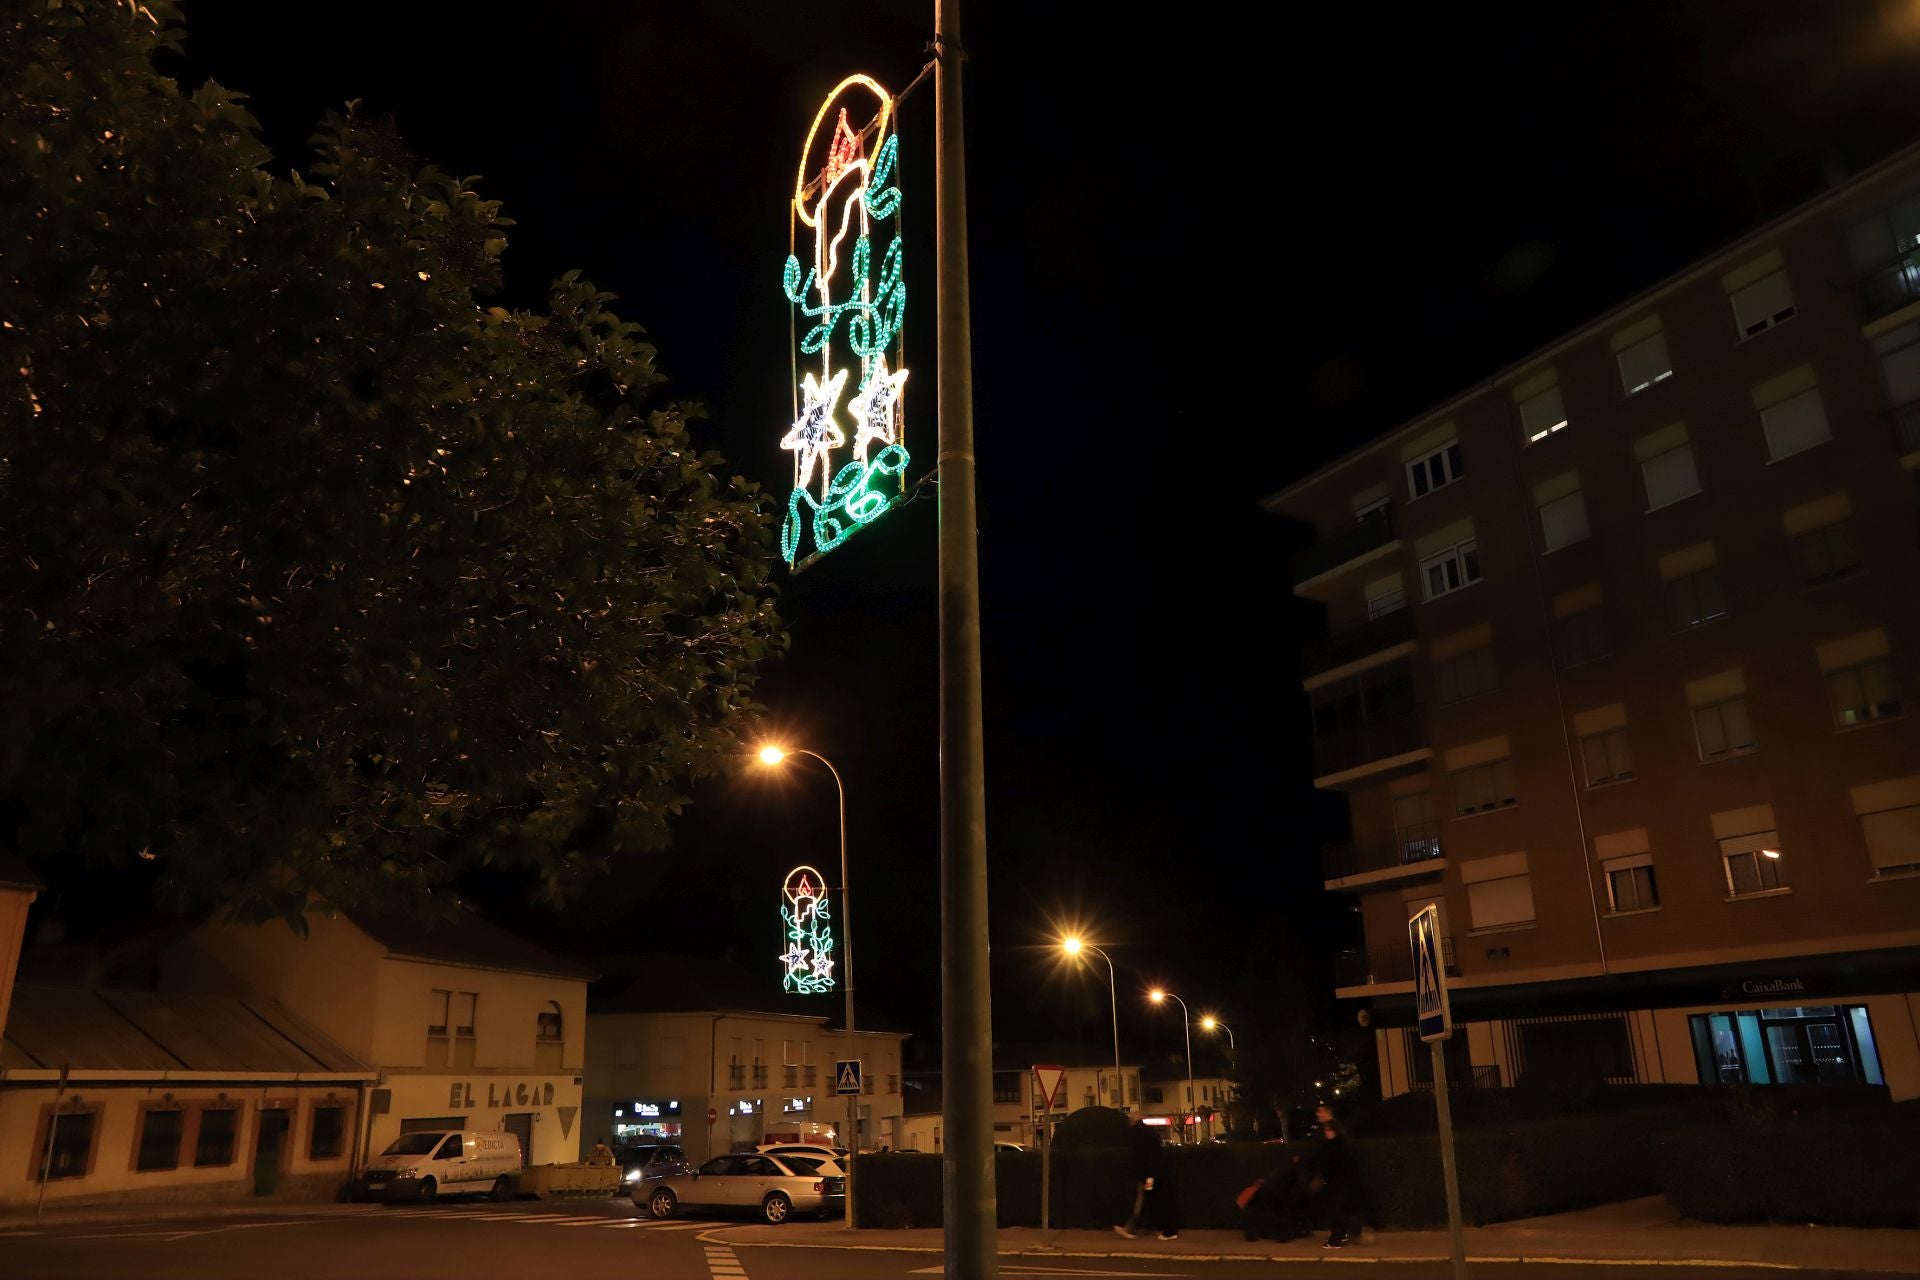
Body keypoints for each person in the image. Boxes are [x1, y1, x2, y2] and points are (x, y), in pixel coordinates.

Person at [1115, 1120, 1177, 1239]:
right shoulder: (1149, 1134)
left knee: (1149, 1200)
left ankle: (1169, 1231)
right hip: (1151, 1174)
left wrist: (1146, 1176)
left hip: (1149, 1175)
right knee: (1149, 1200)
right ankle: (1131, 1228)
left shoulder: (1139, 1136)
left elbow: (1143, 1158)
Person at [1305, 1120, 1361, 1248]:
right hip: (1338, 1183)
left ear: (1335, 1132)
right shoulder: (1340, 1145)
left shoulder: (1335, 1147)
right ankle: (1342, 1234)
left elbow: (1332, 1165)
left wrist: (1323, 1176)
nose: (1326, 1133)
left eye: (1329, 1130)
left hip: (1336, 1183)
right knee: (1337, 1210)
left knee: (1334, 1211)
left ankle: (1335, 1239)